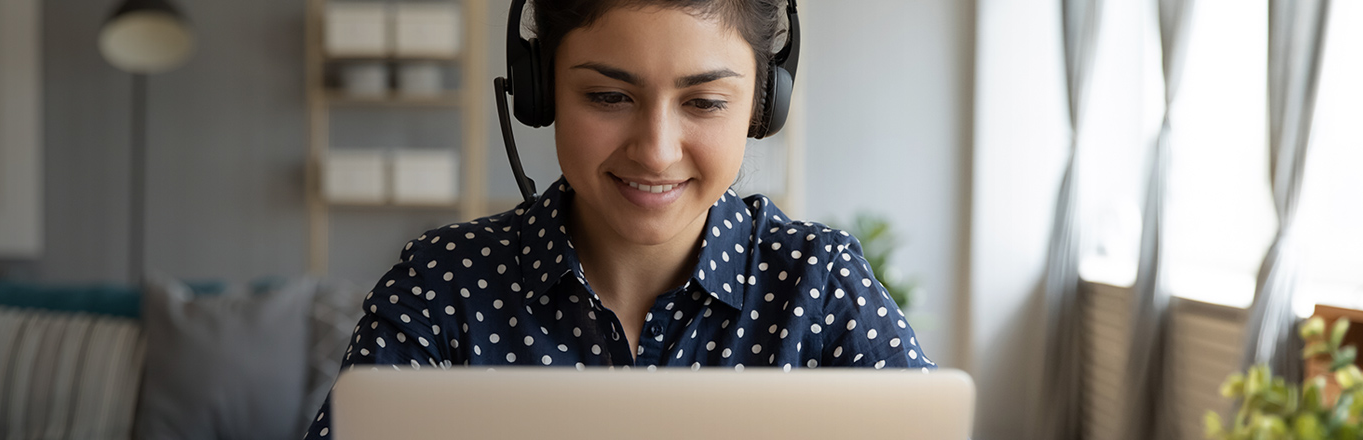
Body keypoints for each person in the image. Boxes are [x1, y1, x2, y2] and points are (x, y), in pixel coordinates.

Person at [305, 0, 935, 437]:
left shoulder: (821, 283)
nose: (656, 151)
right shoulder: (442, 284)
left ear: (762, 106)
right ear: (540, 90)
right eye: (608, 96)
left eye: (704, 102)